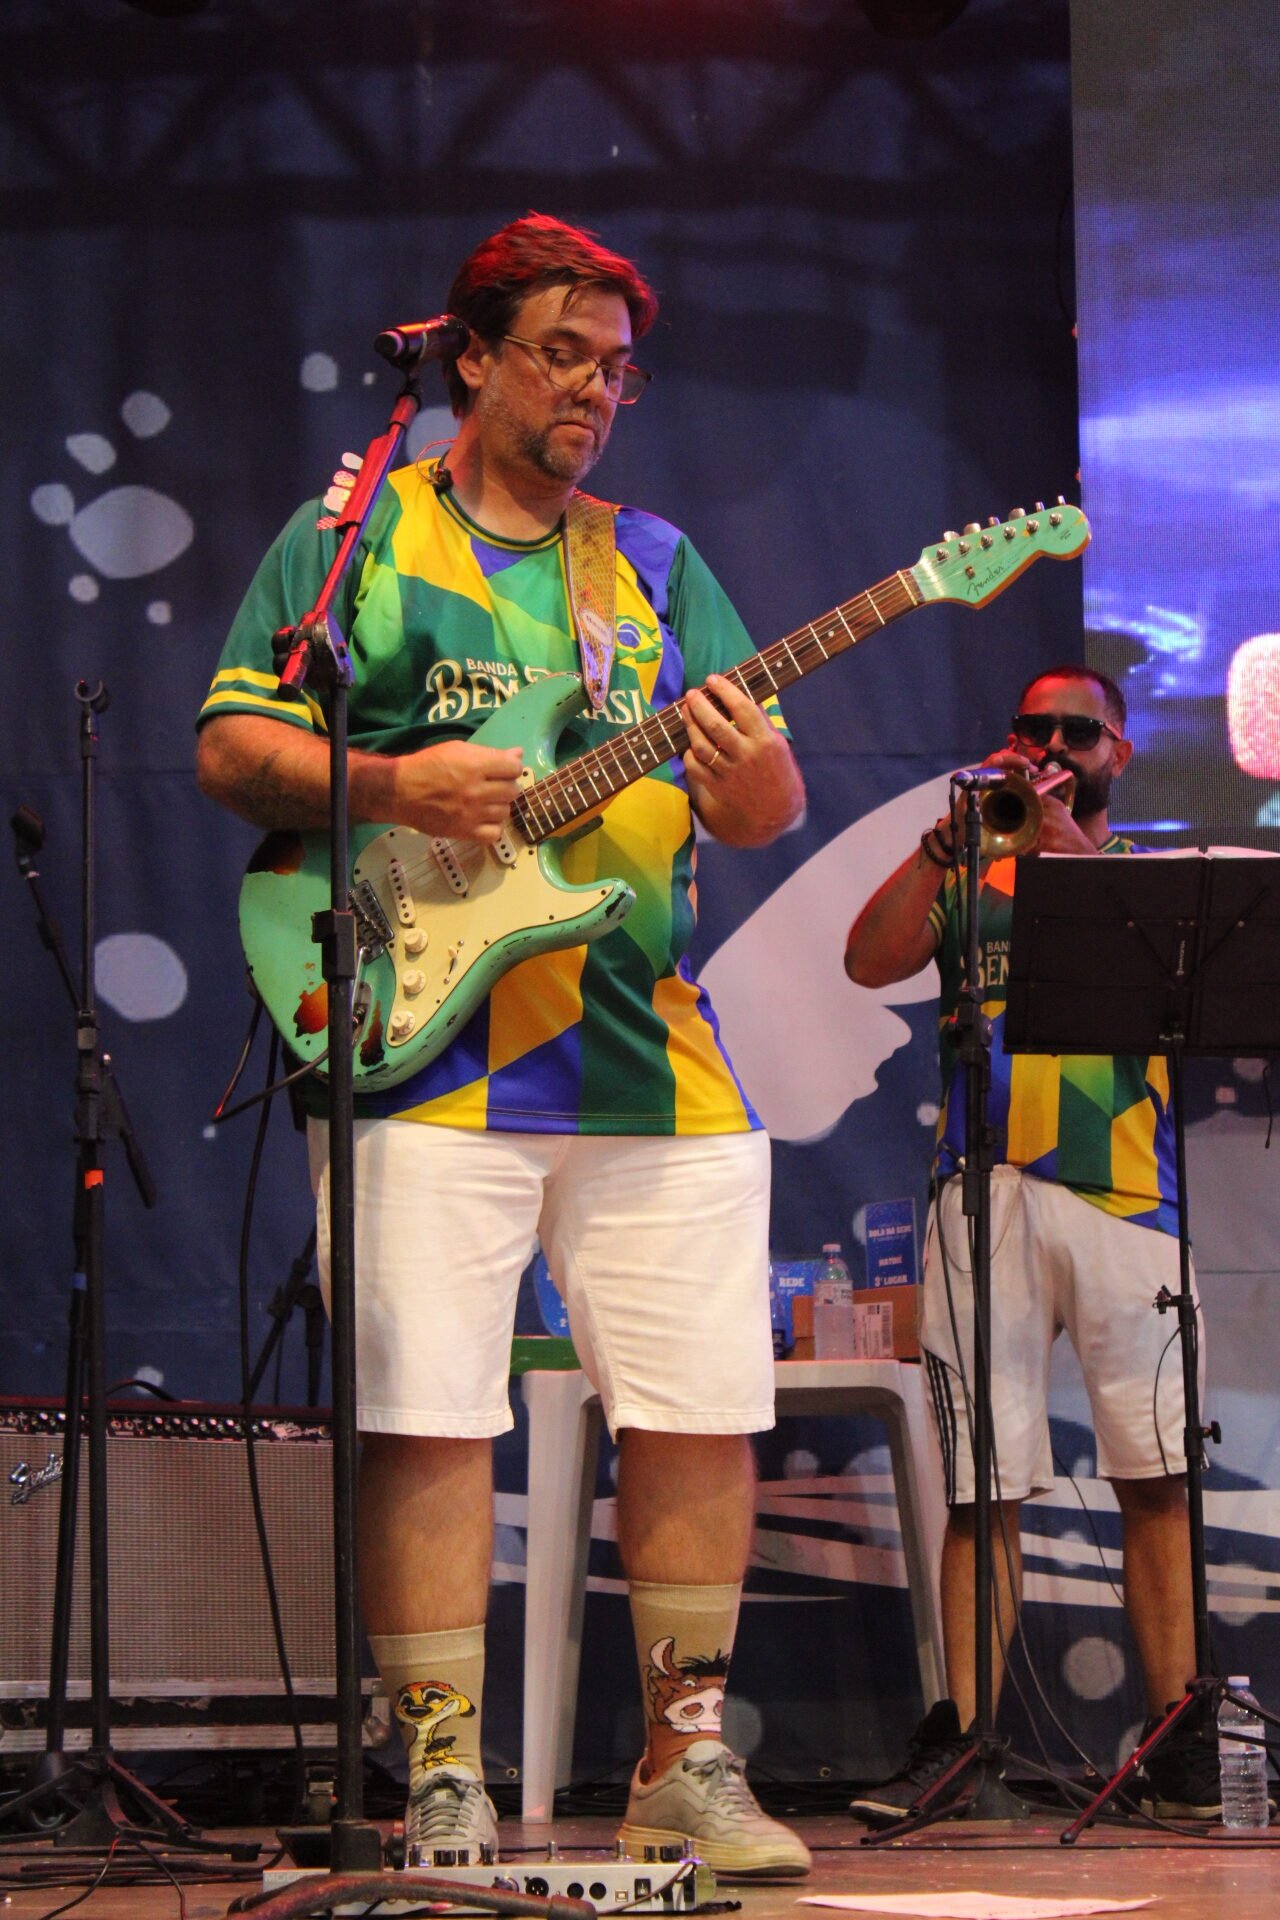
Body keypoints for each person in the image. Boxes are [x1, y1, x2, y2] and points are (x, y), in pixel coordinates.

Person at [195, 214, 810, 1877]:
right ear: (469, 359)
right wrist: (395, 784)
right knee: (428, 1413)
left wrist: (751, 765)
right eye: (562, 354)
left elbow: (763, 806)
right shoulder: (358, 532)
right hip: (421, 1048)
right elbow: (232, 743)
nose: (596, 390)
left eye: (618, 367)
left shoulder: (656, 563)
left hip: (651, 1054)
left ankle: (687, 1759)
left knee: (700, 1405)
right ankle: (440, 1772)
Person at [843, 666, 1218, 1824]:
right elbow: (867, 961)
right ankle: (962, 1743)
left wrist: (1065, 848)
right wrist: (937, 846)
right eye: (1029, 728)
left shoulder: (1144, 875)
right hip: (982, 1188)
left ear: (1116, 753)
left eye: (1075, 732)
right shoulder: (973, 870)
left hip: (1126, 1198)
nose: (1050, 746)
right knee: (980, 1485)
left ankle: (1176, 1747)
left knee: (1155, 1476)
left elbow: (1181, 1000)